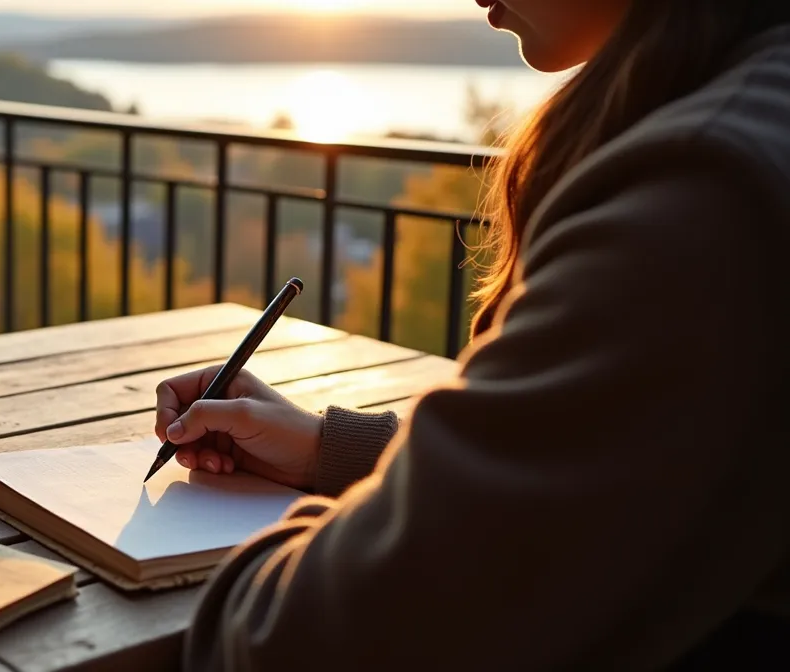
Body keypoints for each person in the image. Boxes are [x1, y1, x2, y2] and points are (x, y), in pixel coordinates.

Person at [154, 0, 790, 669]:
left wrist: (252, 577)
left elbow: (306, 639)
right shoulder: (746, 115)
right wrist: (327, 450)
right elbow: (627, 472)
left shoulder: (702, 195)